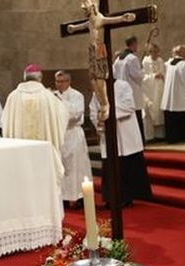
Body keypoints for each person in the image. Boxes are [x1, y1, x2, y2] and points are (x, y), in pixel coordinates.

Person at [90, 77, 152, 207]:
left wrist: (107, 111)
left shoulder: (123, 85)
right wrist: (99, 121)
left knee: (127, 164)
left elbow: (129, 106)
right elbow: (93, 110)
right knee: (111, 167)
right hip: (109, 133)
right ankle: (111, 198)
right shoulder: (98, 91)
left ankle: (127, 197)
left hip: (125, 132)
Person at [2, 65, 68, 183]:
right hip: (45, 155)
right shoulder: (48, 97)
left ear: (24, 77)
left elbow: (5, 124)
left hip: (20, 156)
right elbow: (62, 117)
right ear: (40, 78)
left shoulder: (13, 97)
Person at [53, 70, 92, 209]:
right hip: (59, 135)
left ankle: (79, 196)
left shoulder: (77, 95)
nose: (60, 84)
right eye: (57, 81)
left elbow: (75, 114)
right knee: (61, 167)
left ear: (69, 82)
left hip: (73, 133)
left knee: (77, 167)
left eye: (62, 81)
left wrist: (61, 102)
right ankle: (63, 197)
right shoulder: (52, 96)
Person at [113, 35, 145, 138]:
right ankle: (139, 141)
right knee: (135, 117)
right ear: (134, 44)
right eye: (136, 44)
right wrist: (142, 70)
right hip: (132, 91)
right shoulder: (132, 58)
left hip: (121, 92)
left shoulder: (118, 59)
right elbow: (138, 76)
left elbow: (114, 73)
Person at [140, 42, 165, 141]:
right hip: (149, 90)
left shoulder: (160, 61)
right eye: (153, 52)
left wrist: (162, 75)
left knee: (159, 112)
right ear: (150, 52)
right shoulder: (145, 62)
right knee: (149, 112)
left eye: (157, 52)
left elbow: (164, 73)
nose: (155, 54)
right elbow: (143, 77)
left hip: (159, 89)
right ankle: (150, 137)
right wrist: (154, 76)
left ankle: (160, 136)